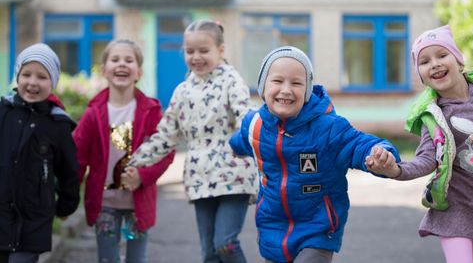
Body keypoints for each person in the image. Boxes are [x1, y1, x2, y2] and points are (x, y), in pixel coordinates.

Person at [367, 25, 473, 263]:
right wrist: (395, 169)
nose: (435, 64)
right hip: (456, 208)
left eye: (442, 55)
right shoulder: (434, 116)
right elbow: (426, 160)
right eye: (425, 61)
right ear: (422, 76)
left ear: (459, 61)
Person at [229, 46, 400, 263]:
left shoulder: (328, 128)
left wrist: (382, 155)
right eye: (277, 81)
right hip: (273, 227)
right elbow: (241, 141)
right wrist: (231, 148)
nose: (286, 89)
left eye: (297, 83)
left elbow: (358, 144)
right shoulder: (255, 124)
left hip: (317, 228)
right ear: (263, 86)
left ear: (308, 90)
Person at [128, 20, 259, 263]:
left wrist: (263, 140)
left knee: (225, 244)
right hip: (201, 177)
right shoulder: (182, 91)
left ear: (220, 51)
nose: (196, 57)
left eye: (203, 50)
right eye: (190, 51)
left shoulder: (232, 81)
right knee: (209, 252)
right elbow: (165, 135)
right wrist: (133, 162)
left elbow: (246, 117)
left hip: (235, 175)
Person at [73, 39, 175, 263]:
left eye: (129, 60)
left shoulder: (151, 111)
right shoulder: (93, 114)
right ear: (104, 70)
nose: (122, 64)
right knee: (107, 259)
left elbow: (166, 151)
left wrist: (143, 176)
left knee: (136, 260)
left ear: (138, 72)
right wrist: (68, 193)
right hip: (104, 204)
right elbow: (77, 157)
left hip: (137, 205)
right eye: (115, 59)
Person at [0, 43, 80, 262]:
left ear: (52, 82)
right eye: (26, 74)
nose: (33, 82)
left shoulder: (57, 125)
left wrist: (66, 206)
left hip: (33, 222)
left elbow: (69, 171)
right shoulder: (3, 112)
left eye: (42, 77)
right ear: (17, 76)